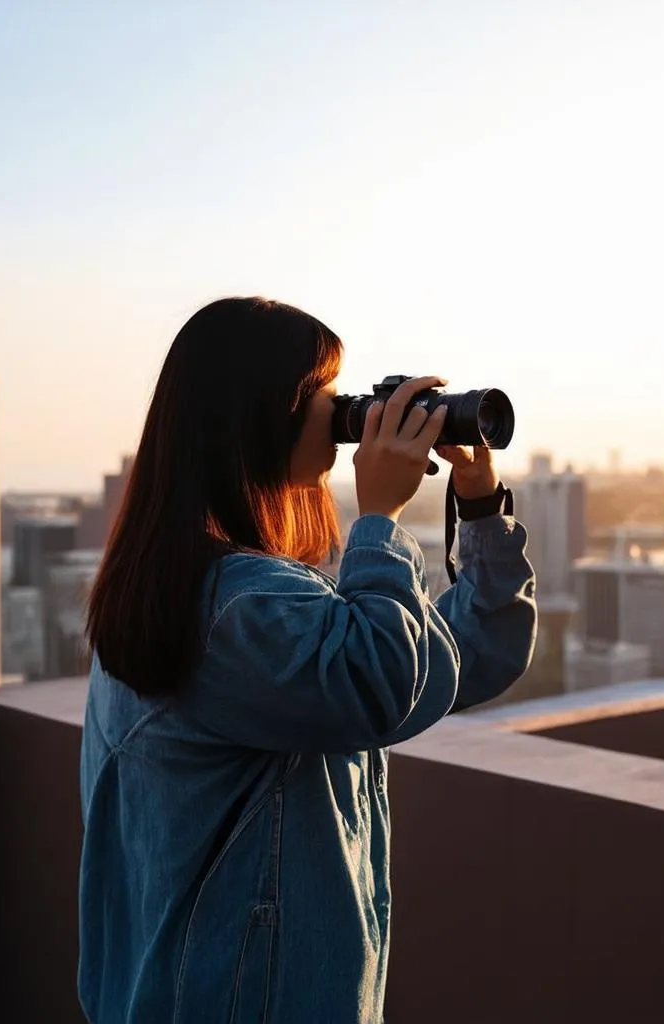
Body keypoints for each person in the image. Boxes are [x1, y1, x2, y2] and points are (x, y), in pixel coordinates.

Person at [78, 297, 537, 1023]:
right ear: (263, 416)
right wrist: (380, 517)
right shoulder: (235, 608)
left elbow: (455, 660)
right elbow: (380, 685)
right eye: (327, 397)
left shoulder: (194, 591)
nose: (343, 416)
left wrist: (479, 509)